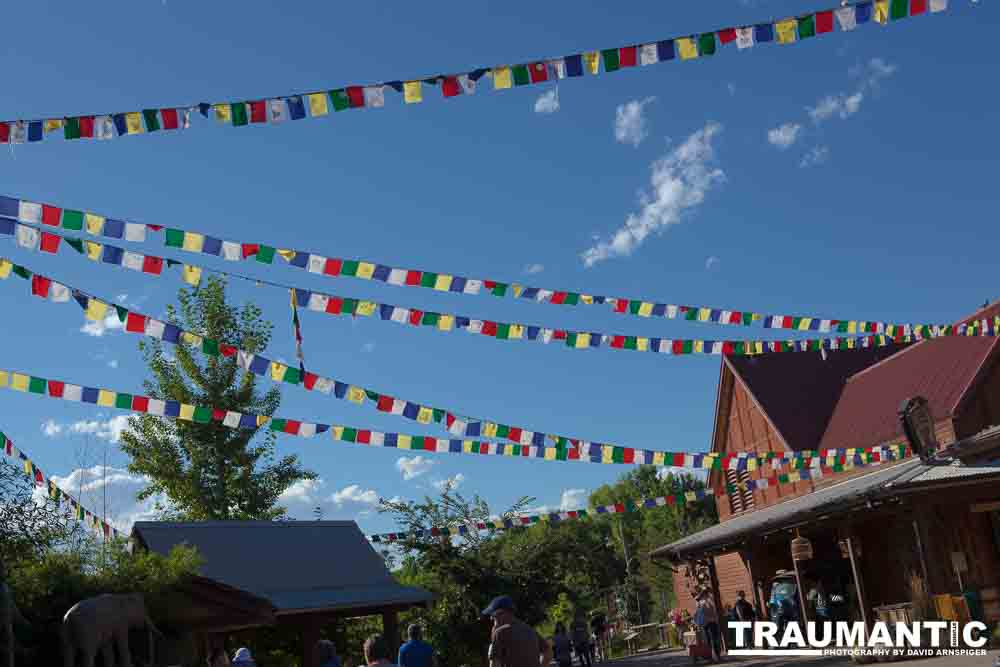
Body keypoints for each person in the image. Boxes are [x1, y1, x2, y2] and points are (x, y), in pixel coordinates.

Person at [482, 595, 552, 667]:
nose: (491, 619)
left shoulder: (500, 632)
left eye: (492, 616)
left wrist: (494, 633)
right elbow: (548, 652)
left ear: (500, 613)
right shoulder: (530, 630)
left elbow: (495, 664)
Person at [696, 590, 722, 661]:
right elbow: (713, 612)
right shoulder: (706, 602)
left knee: (709, 640)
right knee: (713, 639)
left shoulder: (701, 602)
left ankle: (712, 656)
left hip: (706, 623)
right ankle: (716, 655)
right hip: (710, 623)